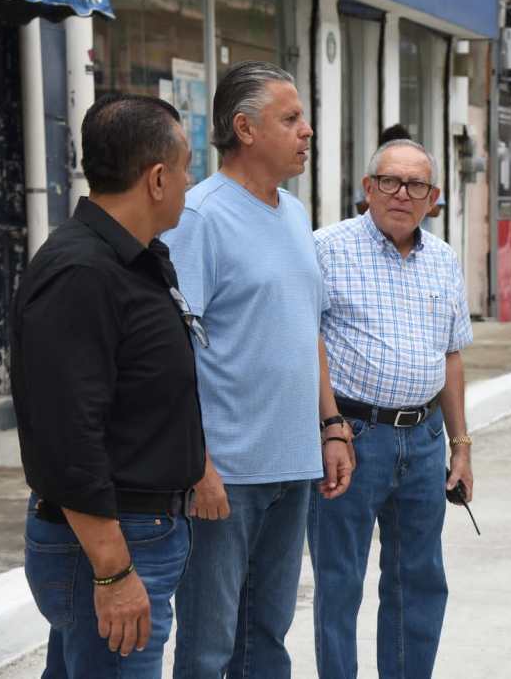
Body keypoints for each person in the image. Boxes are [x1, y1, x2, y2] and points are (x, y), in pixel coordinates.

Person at [162, 61, 354, 677]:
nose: (307, 131)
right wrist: (198, 463)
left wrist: (331, 425)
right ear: (244, 129)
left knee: (267, 638)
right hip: (226, 474)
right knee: (208, 646)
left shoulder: (295, 214)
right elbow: (172, 351)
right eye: (290, 118)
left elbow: (306, 327)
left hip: (292, 466)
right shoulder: (199, 217)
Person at [10, 93, 203, 676]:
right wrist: (113, 573)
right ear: (158, 178)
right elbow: (67, 436)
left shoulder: (134, 259)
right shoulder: (82, 273)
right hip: (112, 541)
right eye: (187, 168)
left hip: (136, 532)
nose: (190, 182)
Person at [309, 138, 475, 679]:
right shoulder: (326, 249)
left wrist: (461, 446)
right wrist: (330, 427)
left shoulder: (444, 259)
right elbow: (307, 343)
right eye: (390, 181)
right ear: (368, 188)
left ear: (433, 197)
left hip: (424, 440)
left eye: (416, 185)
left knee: (419, 580)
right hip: (352, 439)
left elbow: (451, 355)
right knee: (340, 582)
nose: (402, 194)